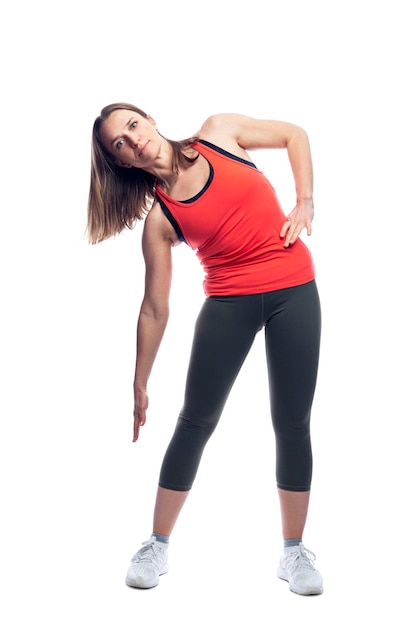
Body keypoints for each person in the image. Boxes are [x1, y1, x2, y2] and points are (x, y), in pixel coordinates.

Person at [87, 103, 323, 596]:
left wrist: (304, 200)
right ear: (122, 162)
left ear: (149, 119)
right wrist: (140, 380)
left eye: (132, 125)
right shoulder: (160, 218)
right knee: (195, 421)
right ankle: (156, 545)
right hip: (229, 305)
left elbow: (294, 134)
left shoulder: (220, 132)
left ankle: (294, 552)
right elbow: (154, 308)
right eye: (119, 144)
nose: (132, 140)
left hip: (294, 290)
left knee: (292, 420)